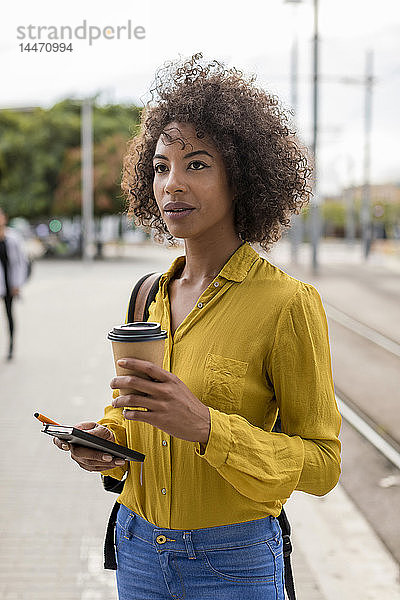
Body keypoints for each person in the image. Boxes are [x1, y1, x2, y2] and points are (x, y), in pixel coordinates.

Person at [54, 54, 341, 600]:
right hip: (137, 551)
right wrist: (107, 440)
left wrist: (209, 428)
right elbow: (134, 411)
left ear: (243, 177)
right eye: (161, 166)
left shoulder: (286, 304)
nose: (173, 184)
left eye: (198, 164)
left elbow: (323, 464)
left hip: (235, 563)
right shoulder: (147, 296)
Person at [0, 207, 28, 360]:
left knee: (9, 315)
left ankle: (11, 345)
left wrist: (17, 284)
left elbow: (20, 262)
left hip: (10, 284)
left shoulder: (13, 238)